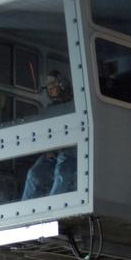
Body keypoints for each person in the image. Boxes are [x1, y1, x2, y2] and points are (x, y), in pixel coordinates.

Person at [21, 71, 77, 199]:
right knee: (33, 174)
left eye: (53, 87)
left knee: (61, 171)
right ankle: (26, 208)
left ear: (62, 85)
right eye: (49, 89)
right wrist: (49, 148)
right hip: (54, 153)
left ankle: (54, 205)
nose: (51, 91)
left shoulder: (76, 104)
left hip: (72, 150)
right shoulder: (50, 109)